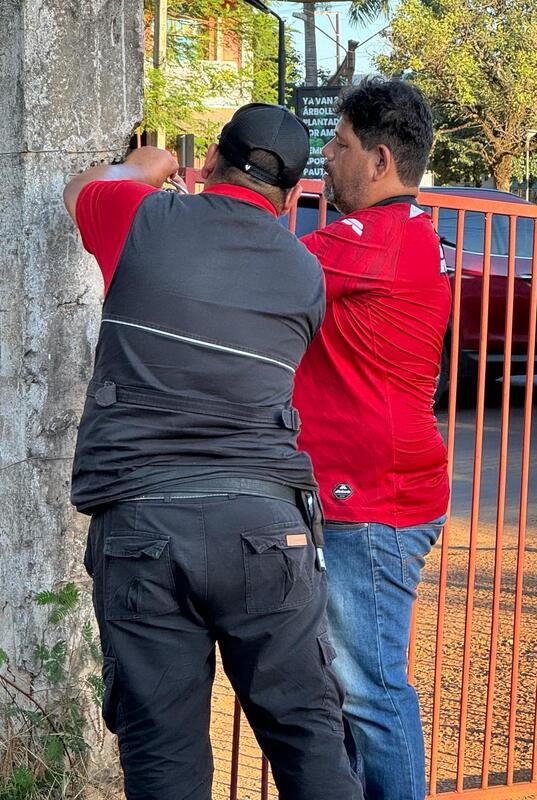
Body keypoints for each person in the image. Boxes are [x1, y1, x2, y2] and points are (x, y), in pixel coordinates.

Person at [63, 103, 363, 800]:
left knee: (163, 757)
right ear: (290, 200)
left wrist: (142, 167)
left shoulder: (143, 221)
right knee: (309, 738)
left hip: (141, 527)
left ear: (206, 166)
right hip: (267, 529)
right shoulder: (304, 275)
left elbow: (80, 189)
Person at [293, 77, 452, 800]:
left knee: (371, 692)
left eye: (341, 144)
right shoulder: (407, 235)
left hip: (375, 504)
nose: (327, 155)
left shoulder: (377, 241)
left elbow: (257, 256)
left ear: (380, 160)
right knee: (351, 690)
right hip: (374, 495)